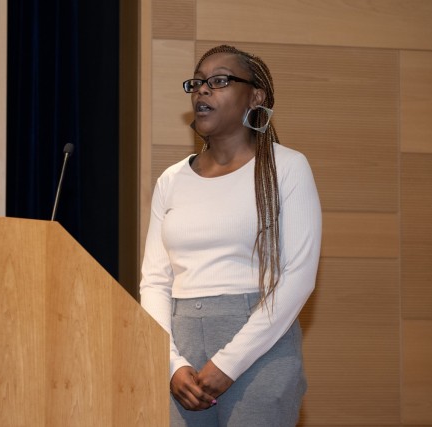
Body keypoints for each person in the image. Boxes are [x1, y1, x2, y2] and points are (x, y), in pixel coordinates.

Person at [139, 44, 322, 426]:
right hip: (181, 349)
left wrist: (227, 363)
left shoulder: (287, 168)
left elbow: (298, 279)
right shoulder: (171, 180)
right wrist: (171, 364)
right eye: (198, 83)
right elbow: (155, 282)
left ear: (256, 96)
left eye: (219, 81)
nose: (202, 90)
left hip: (259, 346)